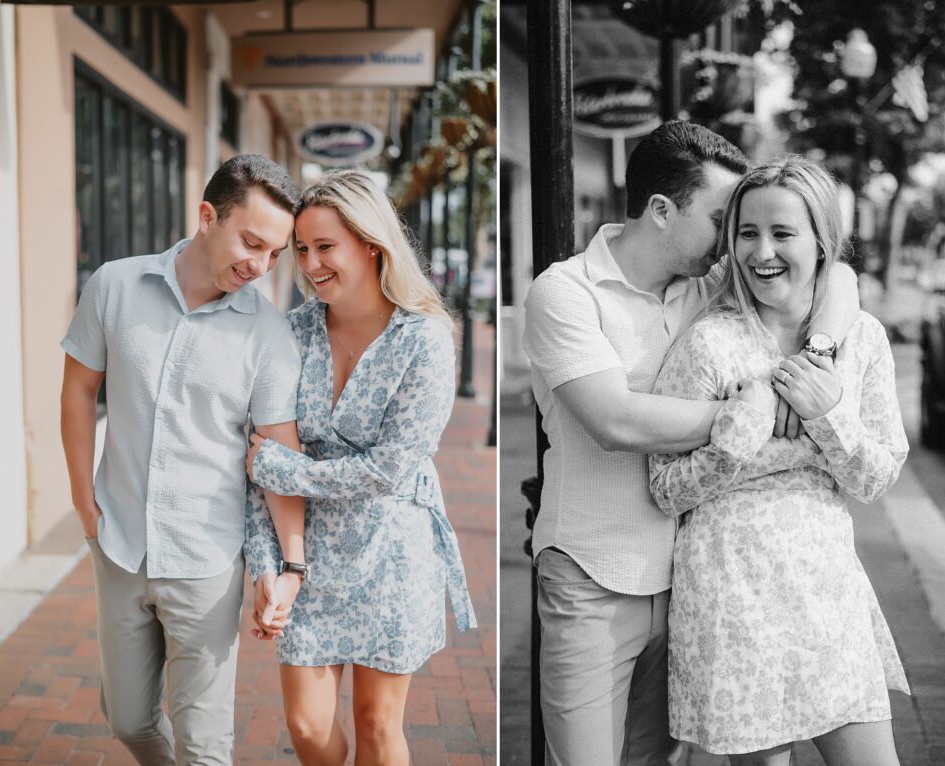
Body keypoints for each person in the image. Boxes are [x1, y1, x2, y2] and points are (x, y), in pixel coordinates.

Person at [522, 121, 862, 766]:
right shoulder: (564, 293)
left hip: (689, 581)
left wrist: (817, 356)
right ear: (661, 210)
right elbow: (615, 421)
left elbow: (834, 275)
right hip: (593, 576)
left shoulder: (704, 288)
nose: (732, 242)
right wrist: (748, 409)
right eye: (719, 218)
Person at [649, 156, 909, 765]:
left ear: (822, 241)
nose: (760, 251)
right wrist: (736, 439)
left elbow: (876, 475)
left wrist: (827, 413)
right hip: (730, 592)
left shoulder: (861, 340)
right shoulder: (709, 343)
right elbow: (664, 489)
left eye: (782, 233)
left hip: (827, 590)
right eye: (746, 232)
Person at [60, 154, 307, 765]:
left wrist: (290, 565)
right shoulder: (115, 287)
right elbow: (78, 390)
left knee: (205, 747)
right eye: (252, 242)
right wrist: (81, 502)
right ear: (206, 217)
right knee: (128, 719)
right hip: (118, 543)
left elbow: (280, 457)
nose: (261, 265)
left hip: (206, 561)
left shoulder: (269, 335)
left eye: (275, 254)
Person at [244, 169, 477, 766]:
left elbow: (388, 470)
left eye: (326, 246)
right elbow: (257, 462)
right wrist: (266, 566)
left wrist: (284, 471)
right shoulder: (288, 334)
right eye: (301, 249)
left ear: (372, 244)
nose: (310, 263)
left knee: (376, 727)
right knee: (307, 727)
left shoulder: (424, 339)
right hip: (308, 558)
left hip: (391, 553)